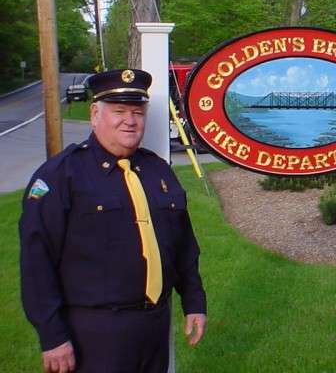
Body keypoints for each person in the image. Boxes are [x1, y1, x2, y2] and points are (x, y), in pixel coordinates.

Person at [19, 69, 207, 373]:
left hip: (155, 324)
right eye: (118, 111)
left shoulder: (158, 170)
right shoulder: (61, 175)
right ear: (95, 114)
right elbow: (36, 260)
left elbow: (183, 245)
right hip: (94, 331)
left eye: (137, 112)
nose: (129, 121)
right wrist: (52, 335)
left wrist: (194, 302)